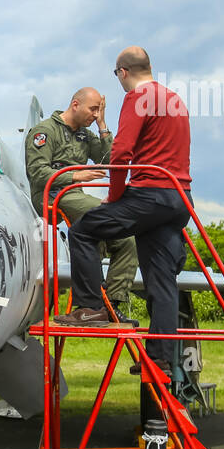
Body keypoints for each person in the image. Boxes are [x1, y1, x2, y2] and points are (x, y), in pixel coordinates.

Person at [54, 48, 193, 374]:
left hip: (151, 195)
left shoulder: (138, 97)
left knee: (83, 230)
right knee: (161, 282)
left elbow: (121, 151)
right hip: (179, 198)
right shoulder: (174, 100)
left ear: (122, 72)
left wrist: (115, 197)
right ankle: (159, 359)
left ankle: (89, 307)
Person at [24, 87, 138, 317]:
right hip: (52, 195)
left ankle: (110, 305)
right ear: (75, 104)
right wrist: (76, 175)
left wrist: (102, 126)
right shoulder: (45, 131)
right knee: (99, 215)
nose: (95, 114)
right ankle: (88, 304)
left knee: (127, 238)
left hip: (76, 196)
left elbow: (109, 160)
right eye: (93, 109)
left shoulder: (86, 135)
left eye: (99, 110)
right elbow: (36, 172)